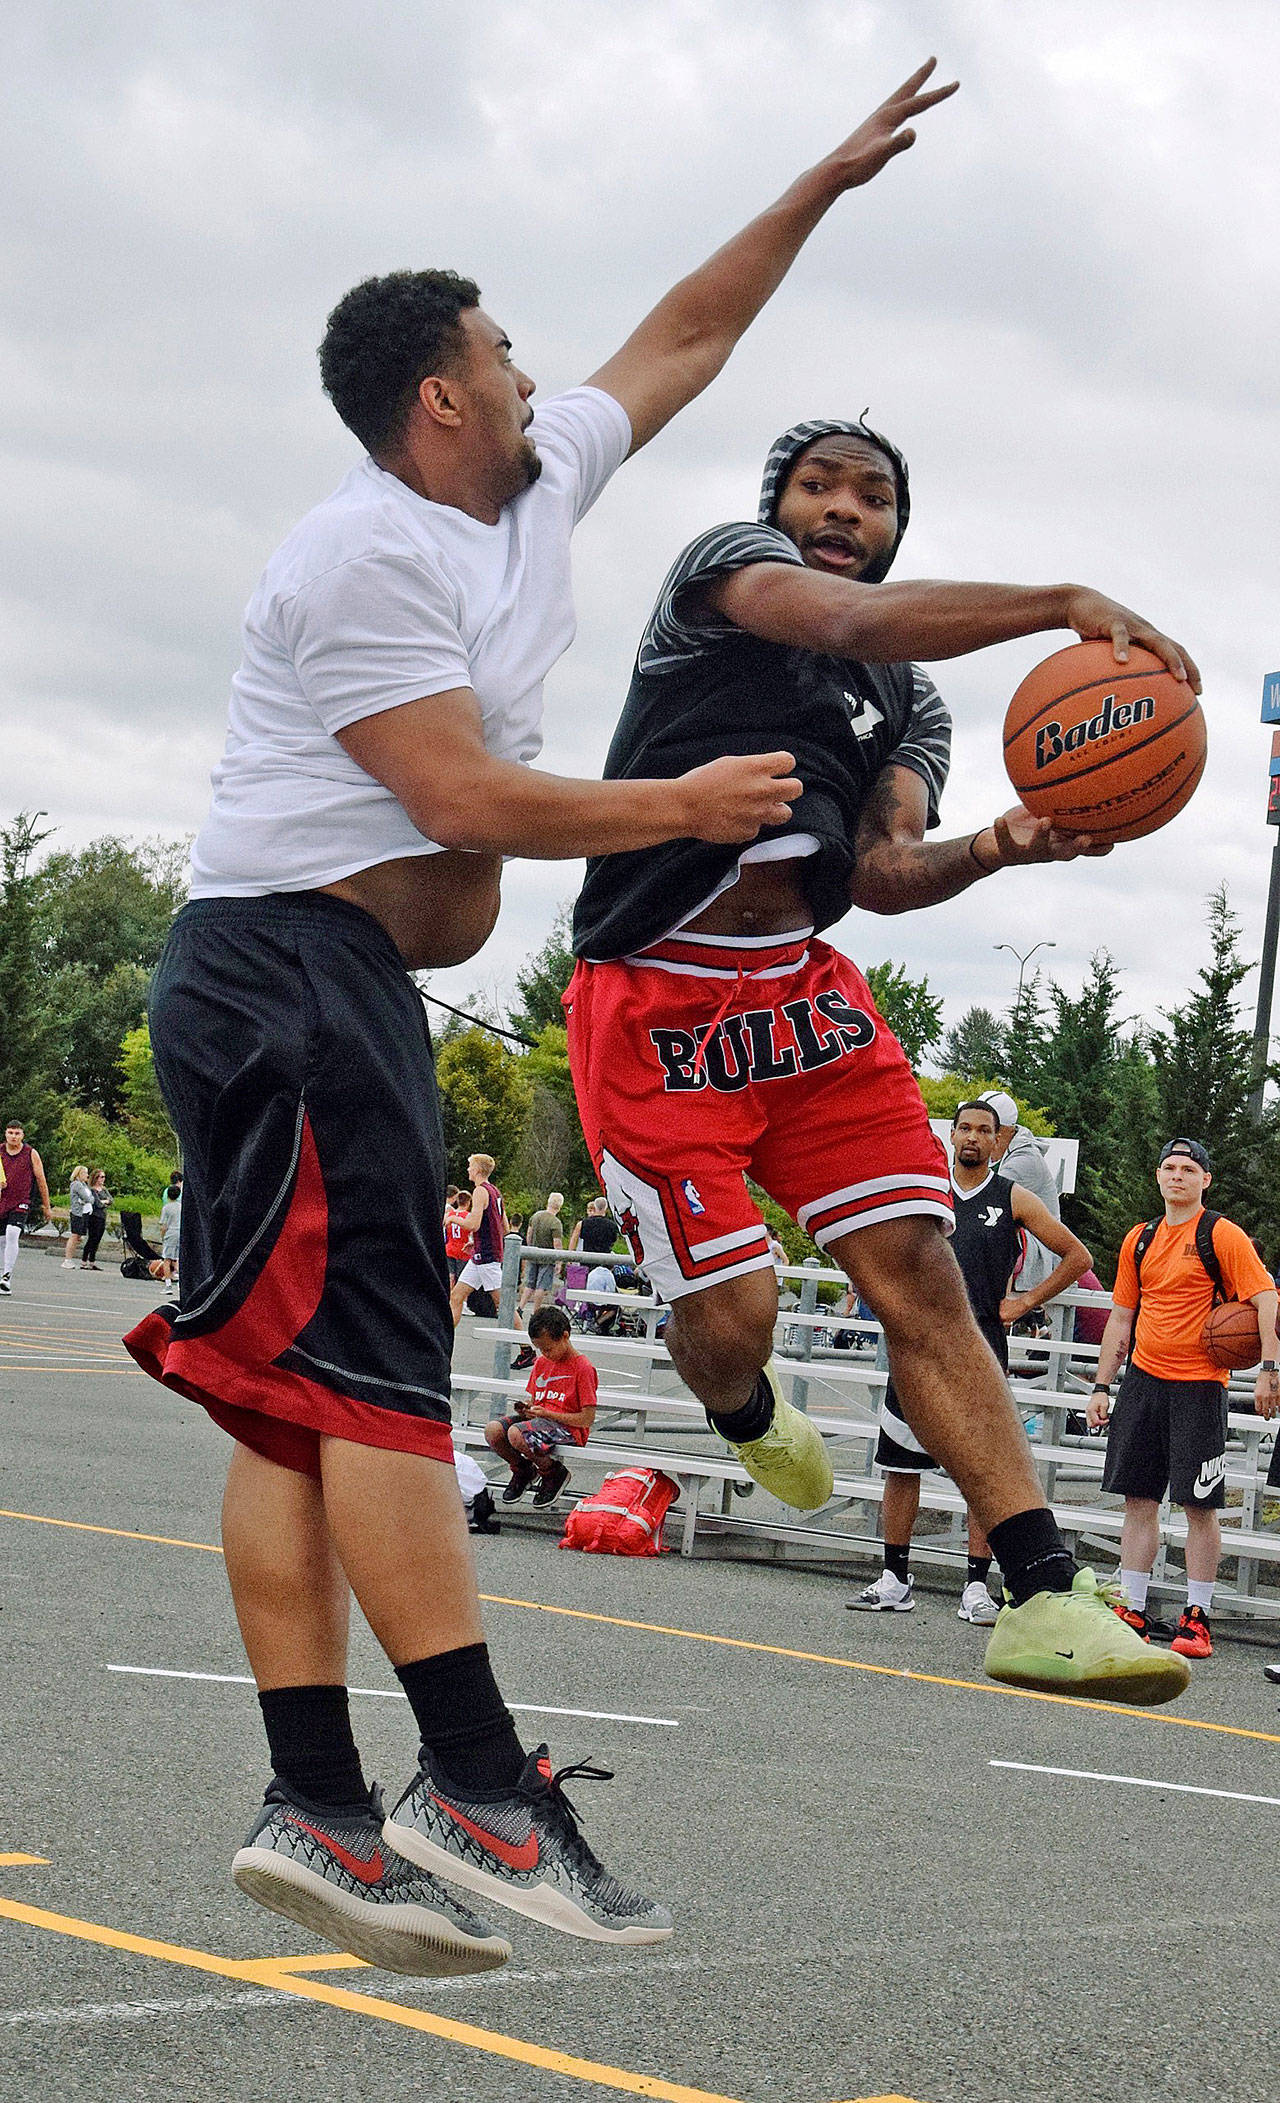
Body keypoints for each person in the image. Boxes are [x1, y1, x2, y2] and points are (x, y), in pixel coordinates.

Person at [122, 64, 960, 1968]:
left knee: (283, 1410)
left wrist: (818, 180)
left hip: (293, 984)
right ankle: (480, 1786)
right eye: (503, 348)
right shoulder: (370, 552)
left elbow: (685, 332)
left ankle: (319, 1805)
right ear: (442, 391)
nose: (533, 367)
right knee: (383, 1395)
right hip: (297, 980)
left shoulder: (534, 482)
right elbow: (458, 801)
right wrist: (679, 803)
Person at [566, 401, 1201, 1704]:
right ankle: (745, 1413)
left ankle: (1038, 1589)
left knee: (919, 1272)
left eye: (872, 496)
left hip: (801, 995)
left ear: (901, 526)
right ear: (777, 507)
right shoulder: (721, 579)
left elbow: (881, 867)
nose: (845, 510)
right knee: (733, 1317)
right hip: (657, 996)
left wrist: (998, 847)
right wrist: (1060, 603)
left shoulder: (907, 698)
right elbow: (846, 617)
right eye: (820, 488)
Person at [851, 1100, 1091, 1623]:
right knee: (899, 1467)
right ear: (951, 1135)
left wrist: (1026, 1302)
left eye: (985, 1130)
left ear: (999, 1141)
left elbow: (1079, 1257)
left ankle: (976, 1587)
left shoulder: (1013, 1198)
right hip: (914, 1350)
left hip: (979, 1354)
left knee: (981, 1472)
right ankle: (894, 1576)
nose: (973, 1138)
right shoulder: (926, 1191)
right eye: (965, 1128)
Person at [1087, 1138, 1279, 1659]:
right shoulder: (1139, 1239)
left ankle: (1197, 1615)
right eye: (1169, 1168)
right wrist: (1103, 1385)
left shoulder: (1222, 1234)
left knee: (1198, 1504)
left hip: (1201, 1385)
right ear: (1157, 1176)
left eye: (1188, 1168)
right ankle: (1132, 1604)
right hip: (1144, 1383)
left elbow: (1266, 1299)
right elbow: (1121, 1319)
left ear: (1204, 1180)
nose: (1178, 1175)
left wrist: (1268, 1369)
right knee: (1139, 1499)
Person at [485, 1306, 597, 1506]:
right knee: (493, 1430)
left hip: (569, 1428)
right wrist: (528, 1409)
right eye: (540, 1350)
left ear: (565, 1336)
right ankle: (523, 1469)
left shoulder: (583, 1368)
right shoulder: (542, 1363)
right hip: (542, 1420)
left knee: (516, 1434)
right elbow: (537, 1400)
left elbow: (586, 1418)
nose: (545, 1354)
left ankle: (553, 1473)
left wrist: (549, 1414)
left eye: (548, 1349)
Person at [978, 1090, 1062, 1297]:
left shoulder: (1024, 1161)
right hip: (1025, 1248)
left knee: (992, 1231)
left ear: (1001, 1131)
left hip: (1041, 1253)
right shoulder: (1000, 1155)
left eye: (982, 1128)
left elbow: (983, 1204)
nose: (975, 1135)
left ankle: (999, 1309)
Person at [449, 1153, 510, 1327]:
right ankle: (445, 1341)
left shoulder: (480, 1191)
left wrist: (453, 1218)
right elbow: (503, 1226)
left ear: (477, 1169)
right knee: (456, 1295)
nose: (468, 1169)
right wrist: (476, 1242)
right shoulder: (495, 1191)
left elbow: (473, 1224)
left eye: (470, 1166)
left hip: (487, 1255)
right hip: (481, 1253)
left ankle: (526, 1347)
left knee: (503, 1305)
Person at [0, 1122, 53, 1295]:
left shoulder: (30, 1153)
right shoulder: (0, 1151)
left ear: (22, 1135)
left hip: (21, 1201)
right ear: (5, 1134)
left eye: (17, 1133)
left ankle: (6, 1277)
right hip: (2, 1200)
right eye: (10, 1133)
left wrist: (47, 1206)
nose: (13, 1136)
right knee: (2, 1240)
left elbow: (41, 1180)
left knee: (12, 1232)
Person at [519, 1191, 565, 1317]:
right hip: (547, 1258)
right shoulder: (555, 1223)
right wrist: (559, 1261)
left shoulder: (536, 1216)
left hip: (533, 1254)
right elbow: (557, 1244)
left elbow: (529, 1234)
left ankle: (520, 1307)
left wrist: (530, 1248)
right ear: (560, 1206)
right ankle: (536, 1311)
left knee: (530, 1284)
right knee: (541, 1286)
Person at [79, 1168, 110, 1273]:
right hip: (94, 1216)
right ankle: (84, 1260)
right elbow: (97, 1203)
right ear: (96, 1178)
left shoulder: (104, 1189)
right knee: (92, 1238)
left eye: (104, 1177)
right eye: (101, 1177)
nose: (103, 1179)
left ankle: (92, 1261)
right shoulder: (92, 1190)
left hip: (102, 1217)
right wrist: (104, 1202)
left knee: (98, 1239)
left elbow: (111, 1200)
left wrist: (105, 1201)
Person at [442, 1186, 474, 1285]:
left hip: (450, 1247)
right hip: (463, 1249)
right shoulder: (468, 1216)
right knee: (463, 1278)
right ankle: (462, 1299)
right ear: (468, 1202)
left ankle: (450, 1296)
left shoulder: (449, 1214)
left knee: (451, 1275)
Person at [63, 1166, 93, 1269]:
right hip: (78, 1213)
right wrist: (88, 1199)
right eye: (85, 1173)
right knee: (74, 1236)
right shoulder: (76, 1185)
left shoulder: (84, 1185)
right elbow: (87, 1198)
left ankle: (70, 1258)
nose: (87, 1175)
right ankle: (67, 1260)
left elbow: (91, 1197)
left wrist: (89, 1199)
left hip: (85, 1213)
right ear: (79, 1174)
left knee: (78, 1236)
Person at [157, 1178, 183, 1296]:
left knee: (167, 1260)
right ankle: (180, 1283)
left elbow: (164, 1225)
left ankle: (168, 1285)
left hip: (171, 1233)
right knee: (177, 1259)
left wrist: (163, 1237)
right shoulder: (181, 1206)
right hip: (180, 1233)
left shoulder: (166, 1208)